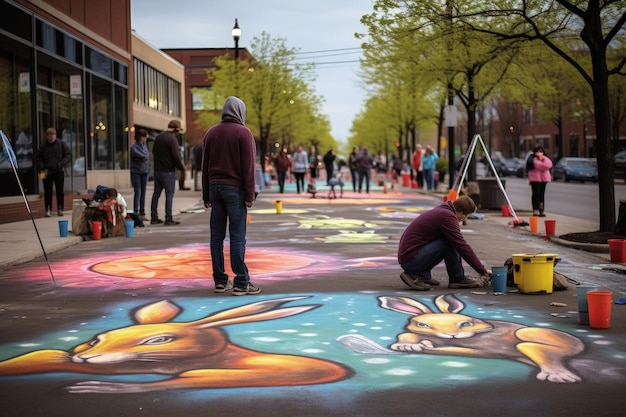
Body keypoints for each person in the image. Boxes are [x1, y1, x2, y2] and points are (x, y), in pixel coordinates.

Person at [202, 96, 260, 296]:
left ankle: (220, 280)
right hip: (235, 189)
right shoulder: (243, 133)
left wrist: (205, 193)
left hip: (214, 187)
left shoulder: (211, 133)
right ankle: (241, 282)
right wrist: (250, 194)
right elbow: (249, 167)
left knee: (216, 236)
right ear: (240, 112)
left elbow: (205, 166)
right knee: (237, 235)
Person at [397, 195, 492, 291]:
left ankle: (422, 274)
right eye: (466, 216)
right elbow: (462, 245)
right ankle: (456, 278)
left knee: (449, 240)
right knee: (451, 242)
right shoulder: (447, 217)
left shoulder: (444, 211)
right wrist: (481, 270)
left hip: (409, 255)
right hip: (411, 259)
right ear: (463, 213)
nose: (464, 219)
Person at [150, 120, 186, 226]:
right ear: (176, 129)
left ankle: (154, 217)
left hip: (157, 171)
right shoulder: (172, 139)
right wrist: (181, 168)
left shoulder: (159, 137)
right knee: (169, 195)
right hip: (168, 171)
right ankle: (168, 218)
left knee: (156, 194)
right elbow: (176, 156)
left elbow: (153, 151)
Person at [36, 127, 71, 217]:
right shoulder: (43, 146)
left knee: (60, 191)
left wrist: (61, 164)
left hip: (58, 170)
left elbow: (68, 155)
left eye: (52, 135)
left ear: (55, 135)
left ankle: (60, 208)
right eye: (48, 135)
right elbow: (38, 158)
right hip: (46, 171)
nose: (50, 137)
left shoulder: (61, 144)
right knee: (47, 191)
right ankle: (48, 209)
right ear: (46, 136)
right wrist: (42, 166)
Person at [526, 146, 553, 217]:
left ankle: (541, 210)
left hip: (544, 179)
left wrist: (542, 159)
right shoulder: (532, 159)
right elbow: (536, 165)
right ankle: (535, 209)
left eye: (541, 151)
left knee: (542, 194)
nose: (539, 153)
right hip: (535, 179)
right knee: (536, 194)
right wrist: (533, 156)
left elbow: (549, 164)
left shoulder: (545, 159)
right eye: (537, 152)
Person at [130, 129, 149, 220]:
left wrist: (144, 156)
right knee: (138, 192)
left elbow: (146, 155)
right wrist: (143, 156)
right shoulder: (134, 147)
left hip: (144, 172)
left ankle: (142, 212)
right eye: (144, 137)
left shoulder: (144, 145)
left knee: (143, 192)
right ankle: (136, 213)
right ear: (140, 137)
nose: (145, 139)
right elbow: (143, 155)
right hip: (136, 172)